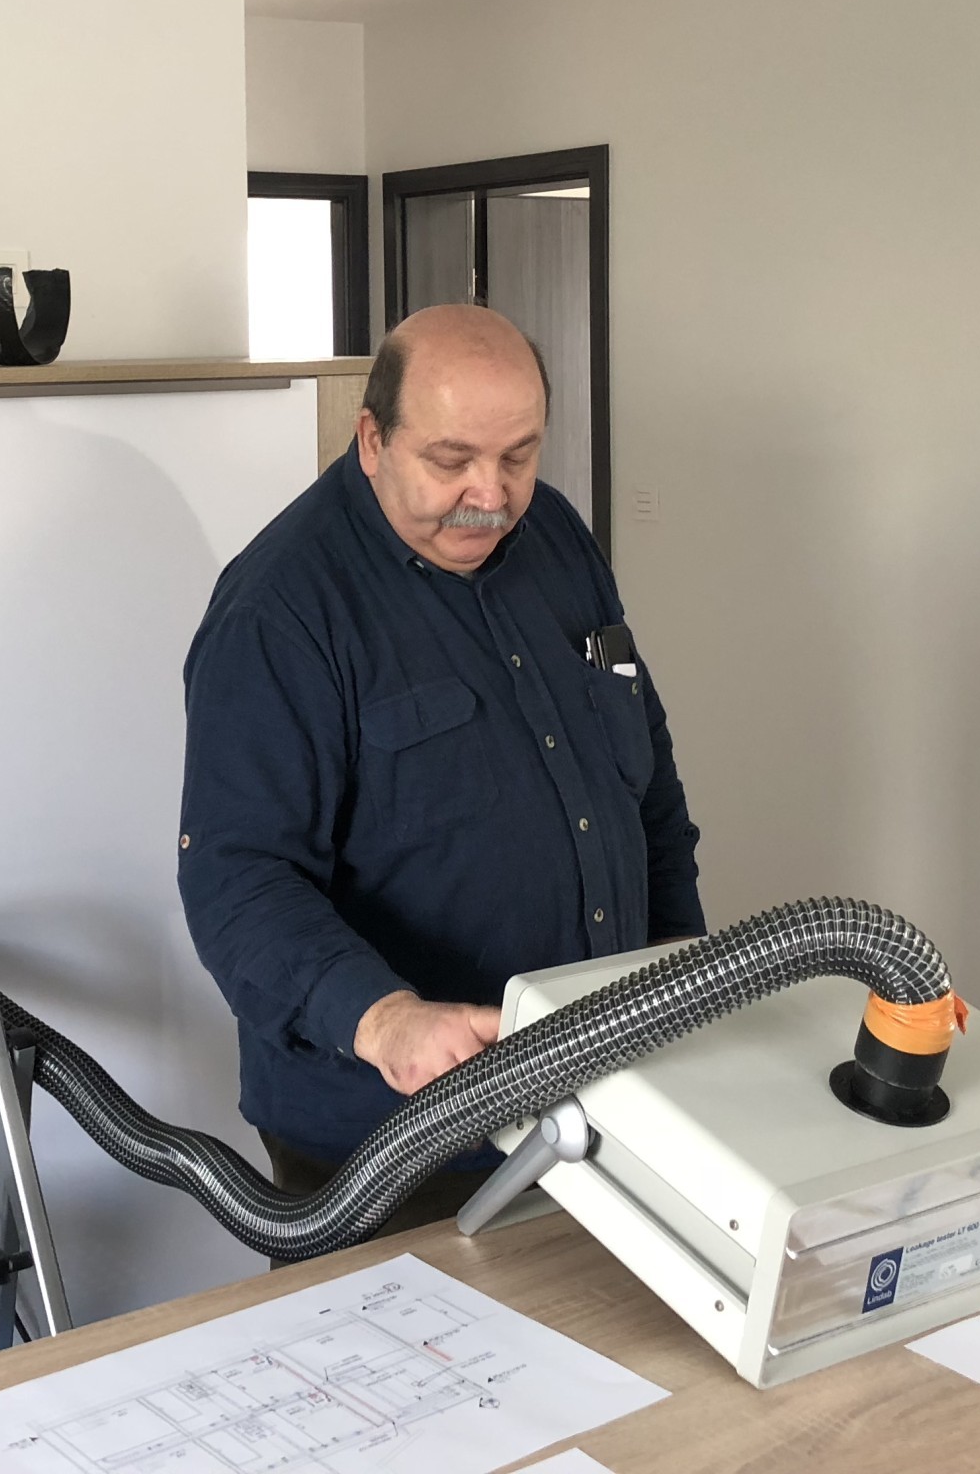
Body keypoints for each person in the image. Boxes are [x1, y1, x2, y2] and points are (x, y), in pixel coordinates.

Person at [177, 304, 703, 1230]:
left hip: (597, 1106)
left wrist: (679, 963)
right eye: (451, 460)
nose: (489, 496)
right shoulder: (278, 611)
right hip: (393, 1145)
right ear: (372, 439)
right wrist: (384, 1020)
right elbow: (236, 878)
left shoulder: (557, 539)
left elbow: (643, 779)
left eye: (518, 457)